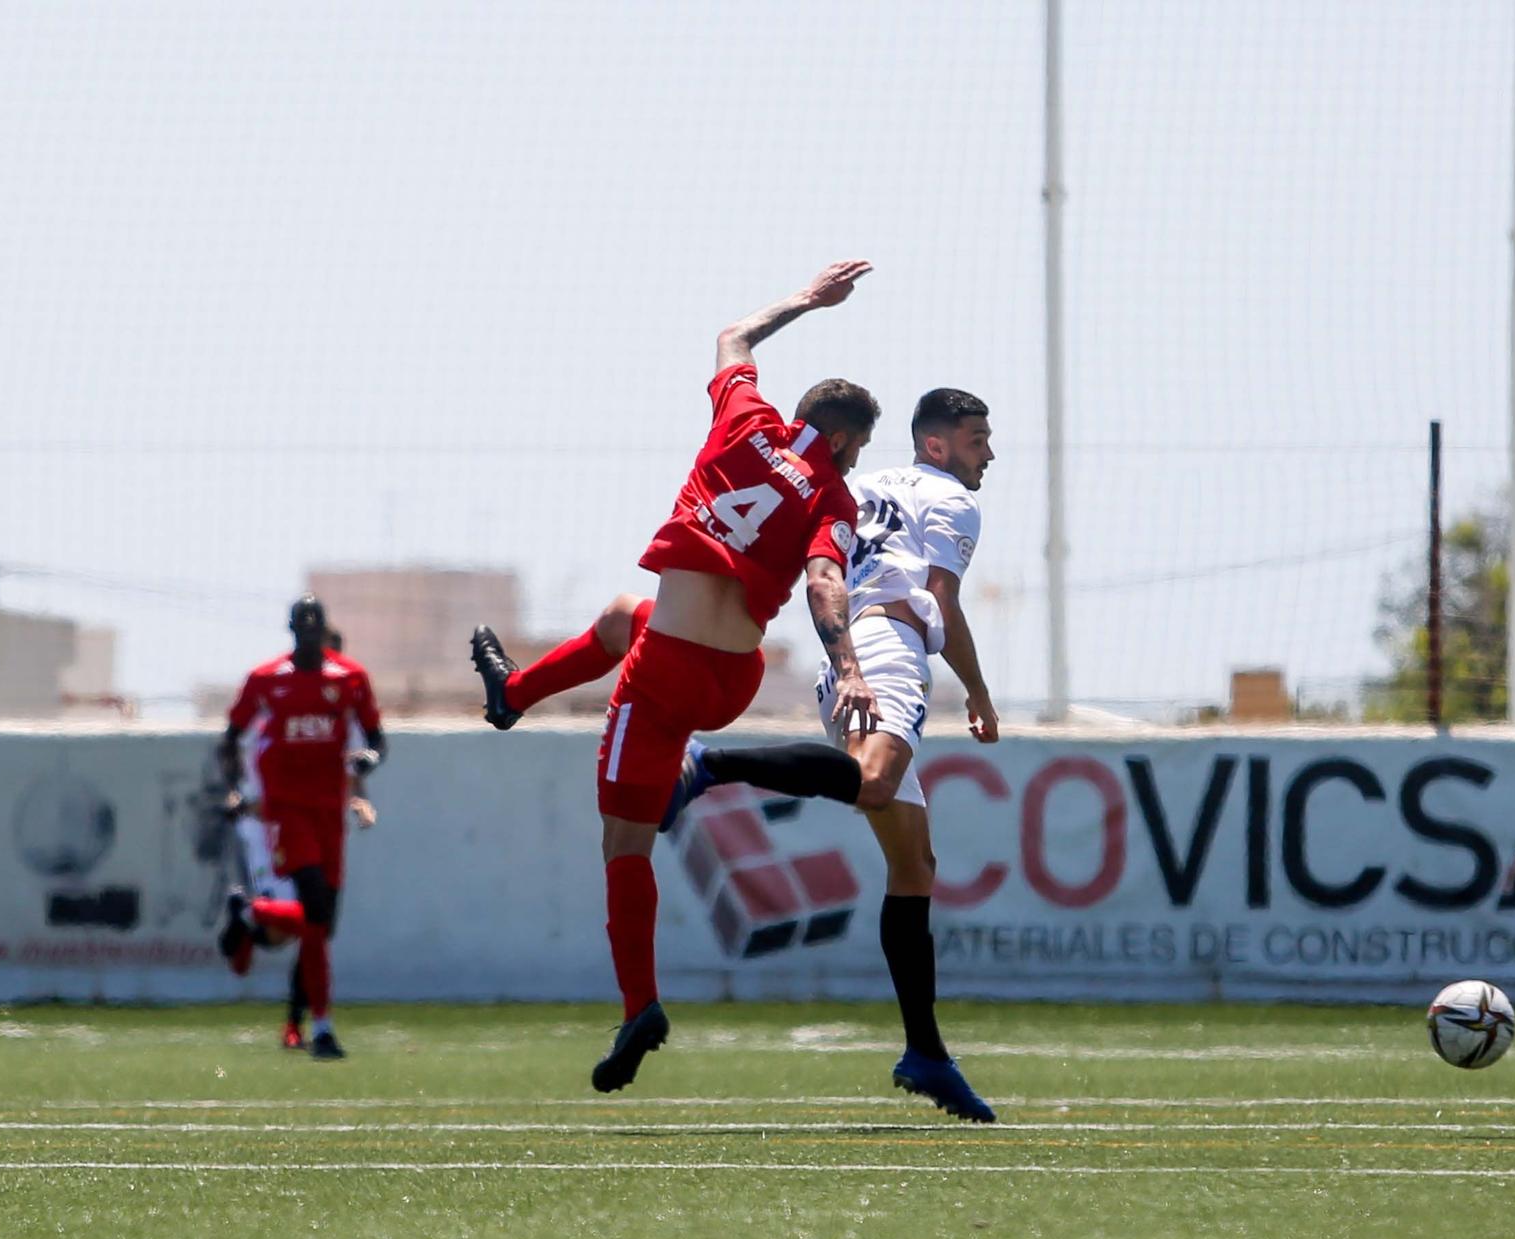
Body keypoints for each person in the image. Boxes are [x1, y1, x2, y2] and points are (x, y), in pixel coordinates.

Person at [469, 260, 882, 1092]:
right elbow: (823, 582)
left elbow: (732, 335)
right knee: (626, 612)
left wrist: (807, 300)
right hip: (732, 677)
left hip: (665, 682)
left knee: (624, 845)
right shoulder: (834, 497)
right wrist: (847, 663)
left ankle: (639, 1005)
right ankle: (513, 695)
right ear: (839, 441)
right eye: (861, 448)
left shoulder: (745, 420)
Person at [661, 388, 999, 1121]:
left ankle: (926, 1054)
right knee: (876, 784)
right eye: (977, 441)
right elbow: (942, 600)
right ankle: (711, 765)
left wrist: (841, 659)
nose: (989, 455)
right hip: (889, 648)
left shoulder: (859, 487)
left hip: (844, 653)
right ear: (936, 446)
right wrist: (977, 692)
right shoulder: (954, 502)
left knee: (915, 867)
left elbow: (823, 567)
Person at [216, 596, 385, 1061]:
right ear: (291, 631)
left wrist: (368, 764)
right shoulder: (266, 679)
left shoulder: (350, 678)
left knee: (320, 925)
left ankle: (308, 1020)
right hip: (284, 811)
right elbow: (230, 738)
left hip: (329, 812)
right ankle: (320, 1027)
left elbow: (375, 739)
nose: (309, 638)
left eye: (316, 630)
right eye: (301, 630)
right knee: (312, 905)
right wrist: (233, 789)